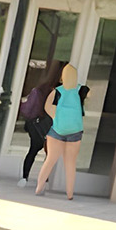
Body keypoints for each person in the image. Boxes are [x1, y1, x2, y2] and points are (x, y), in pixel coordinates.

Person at [34, 62, 89, 199]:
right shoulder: (82, 90)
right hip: (75, 131)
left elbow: (47, 107)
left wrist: (55, 116)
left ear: (63, 77)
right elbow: (93, 96)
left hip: (57, 129)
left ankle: (39, 188)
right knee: (70, 163)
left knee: (50, 160)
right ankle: (69, 193)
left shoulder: (57, 91)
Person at [17, 62, 58, 185]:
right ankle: (44, 180)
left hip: (36, 125)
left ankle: (24, 178)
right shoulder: (58, 92)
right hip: (49, 125)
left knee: (33, 150)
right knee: (49, 154)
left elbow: (27, 109)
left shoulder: (39, 90)